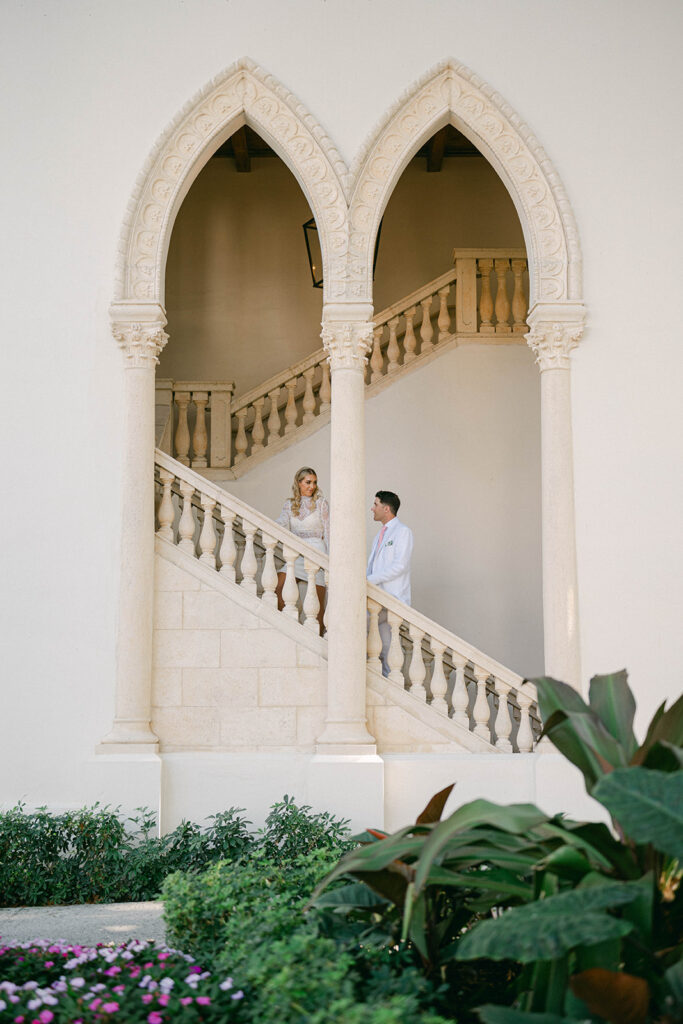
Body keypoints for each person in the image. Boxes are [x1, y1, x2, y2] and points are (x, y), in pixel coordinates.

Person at [275, 467, 329, 633]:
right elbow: (280, 524)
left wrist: (330, 560)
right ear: (298, 483)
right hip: (297, 554)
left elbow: (328, 531)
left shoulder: (321, 503)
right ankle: (294, 630)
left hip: (317, 555)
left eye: (314, 482)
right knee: (278, 589)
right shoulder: (290, 504)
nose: (311, 486)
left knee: (317, 608)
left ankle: (319, 645)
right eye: (307, 482)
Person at [366, 490, 413, 675]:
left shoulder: (403, 532)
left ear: (386, 509)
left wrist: (368, 580)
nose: (372, 508)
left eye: (375, 504)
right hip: (377, 598)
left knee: (355, 624)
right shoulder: (379, 535)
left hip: (391, 598)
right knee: (385, 648)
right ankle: (391, 685)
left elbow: (399, 565)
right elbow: (373, 566)